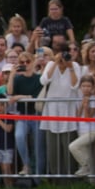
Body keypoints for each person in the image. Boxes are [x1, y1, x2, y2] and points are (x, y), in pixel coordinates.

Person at [39, 43, 80, 175]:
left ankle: (70, 178)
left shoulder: (75, 66)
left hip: (68, 109)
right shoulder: (51, 65)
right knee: (53, 148)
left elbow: (75, 86)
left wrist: (70, 67)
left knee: (68, 145)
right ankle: (55, 179)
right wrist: (55, 63)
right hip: (52, 110)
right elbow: (43, 80)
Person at [7, 52, 45, 176]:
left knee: (38, 147)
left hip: (36, 115)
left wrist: (21, 96)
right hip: (23, 115)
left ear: (33, 62)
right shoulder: (18, 79)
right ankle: (26, 164)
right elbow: (10, 93)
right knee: (19, 136)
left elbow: (37, 96)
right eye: (22, 63)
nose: (25, 65)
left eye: (27, 62)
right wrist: (12, 75)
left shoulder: (39, 78)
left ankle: (39, 177)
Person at [69, 75, 95, 177]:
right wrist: (82, 104)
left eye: (88, 86)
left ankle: (86, 166)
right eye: (84, 86)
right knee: (87, 154)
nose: (86, 88)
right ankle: (92, 179)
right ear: (80, 87)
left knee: (73, 146)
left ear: (92, 87)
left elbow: (87, 117)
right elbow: (77, 116)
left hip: (91, 131)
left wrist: (86, 105)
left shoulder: (93, 99)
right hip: (81, 130)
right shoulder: (78, 98)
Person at [0, 99, 16, 187]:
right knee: (3, 168)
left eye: (2, 105)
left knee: (7, 167)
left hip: (8, 147)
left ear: (6, 106)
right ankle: (7, 188)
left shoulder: (9, 116)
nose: (0, 108)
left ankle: (11, 186)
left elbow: (8, 129)